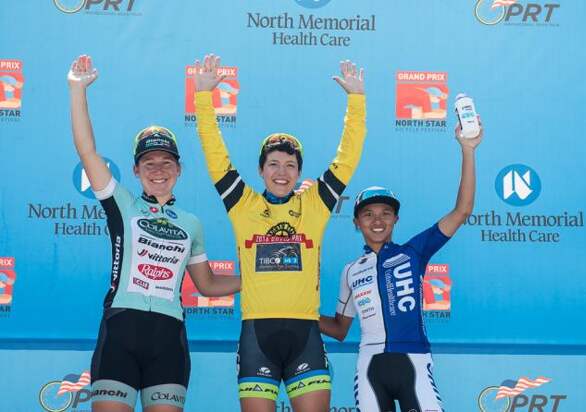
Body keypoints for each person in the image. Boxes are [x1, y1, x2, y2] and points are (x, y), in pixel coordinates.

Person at [192, 54, 366, 412]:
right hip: (257, 335)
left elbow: (346, 158)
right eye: (274, 164)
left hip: (305, 334)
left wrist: (356, 101)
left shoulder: (315, 204)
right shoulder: (243, 205)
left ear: (300, 170)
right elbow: (215, 155)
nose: (282, 172)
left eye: (290, 165)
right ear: (261, 170)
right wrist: (203, 99)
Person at [68, 55, 240, 412]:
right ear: (135, 170)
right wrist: (77, 89)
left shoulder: (190, 222)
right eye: (149, 163)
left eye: (166, 162)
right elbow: (87, 151)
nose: (158, 170)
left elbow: (207, 285)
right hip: (120, 330)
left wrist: (261, 276)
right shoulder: (122, 204)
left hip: (169, 336)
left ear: (179, 168)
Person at [319, 122, 483, 412]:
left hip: (415, 362)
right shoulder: (350, 271)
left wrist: (467, 150)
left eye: (386, 213)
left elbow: (462, 211)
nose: (377, 220)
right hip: (370, 367)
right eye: (368, 214)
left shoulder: (414, 252)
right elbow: (339, 329)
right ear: (356, 223)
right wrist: (295, 313)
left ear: (396, 219)